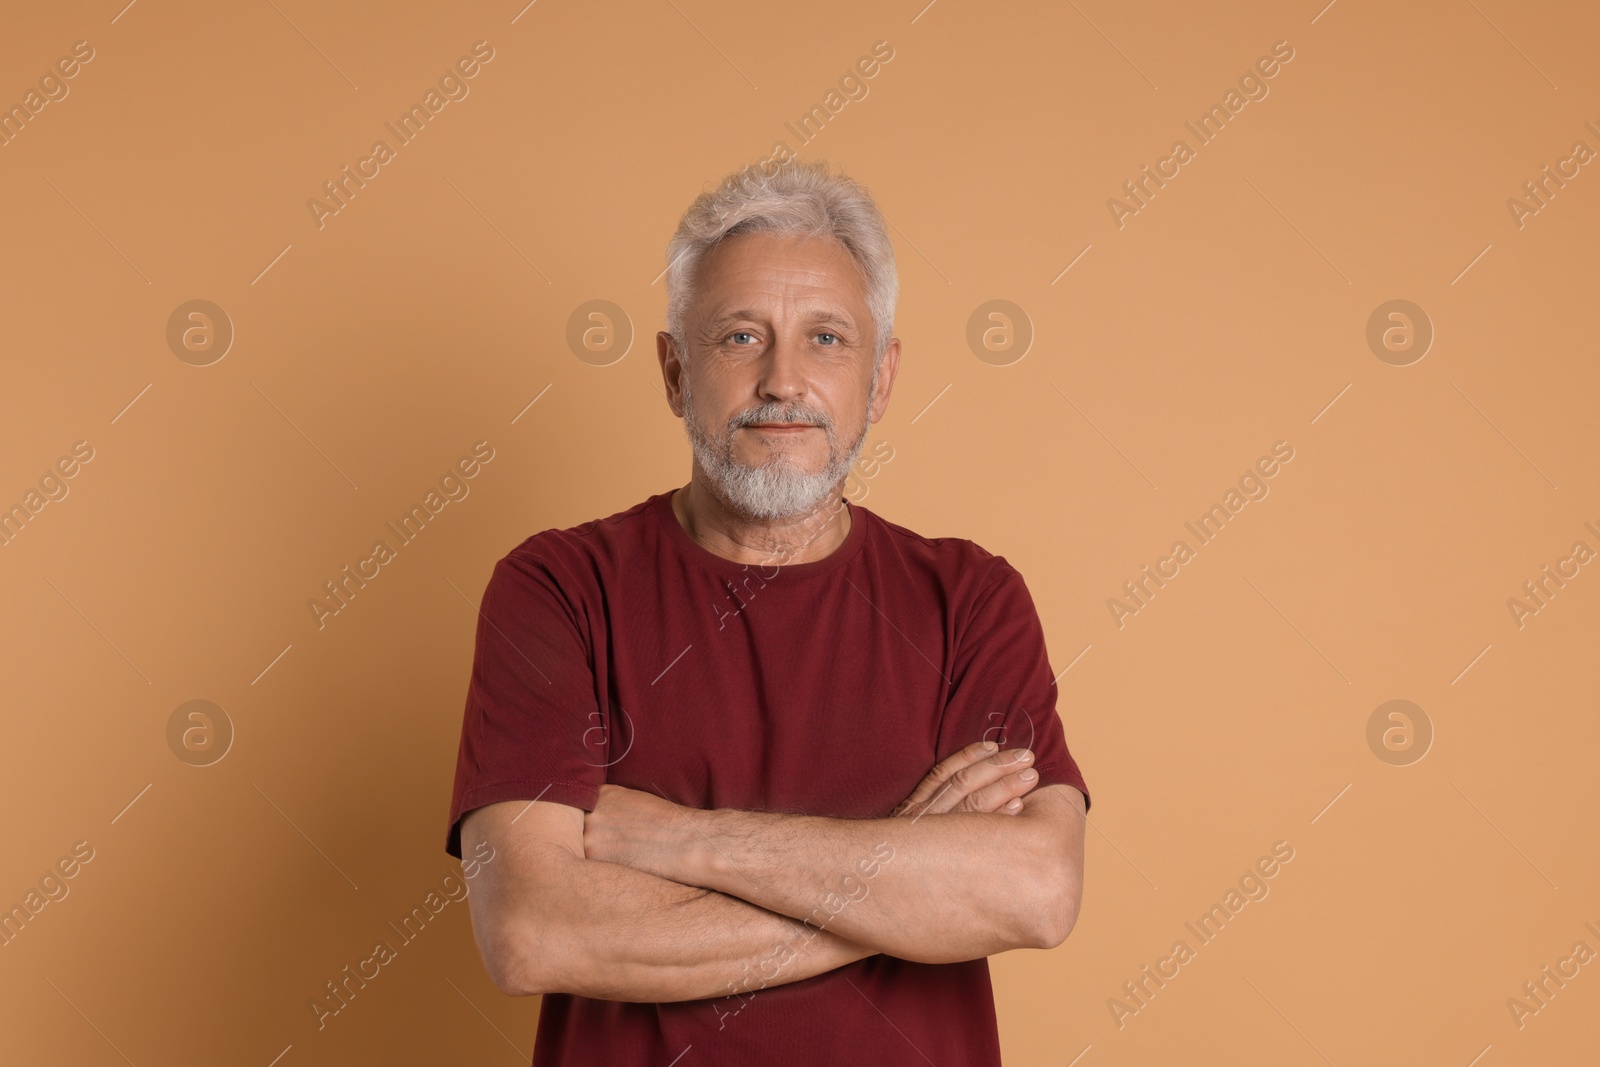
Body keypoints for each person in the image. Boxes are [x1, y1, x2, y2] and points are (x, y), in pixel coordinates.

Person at [444, 158, 1091, 1065]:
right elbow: (532, 930)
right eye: (740, 337)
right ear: (674, 371)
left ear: (882, 377)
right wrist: (900, 881)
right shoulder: (558, 588)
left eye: (828, 339)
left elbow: (1036, 891)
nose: (784, 381)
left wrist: (682, 840)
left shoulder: (970, 600)